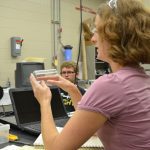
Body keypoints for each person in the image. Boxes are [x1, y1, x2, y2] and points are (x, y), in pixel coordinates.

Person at [30, 0, 150, 149]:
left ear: (115, 36)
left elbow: (56, 148)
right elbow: (93, 128)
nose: (93, 39)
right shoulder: (140, 78)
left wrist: (44, 101)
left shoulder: (112, 84)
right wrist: (72, 89)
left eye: (98, 31)